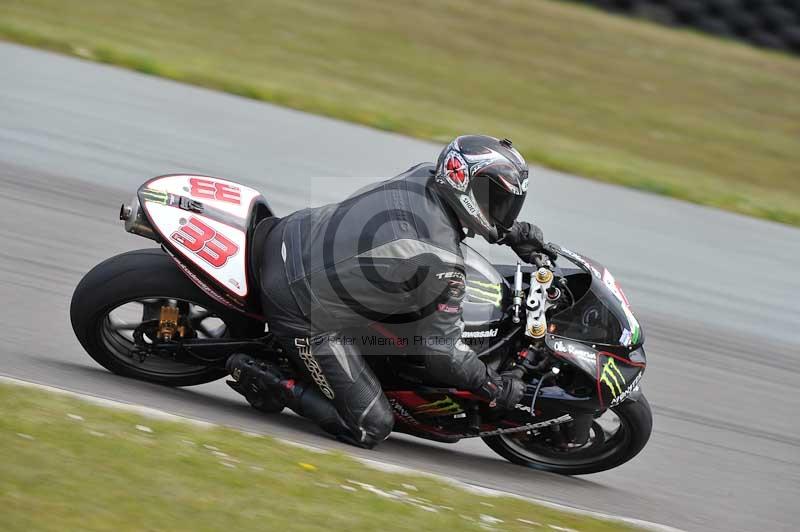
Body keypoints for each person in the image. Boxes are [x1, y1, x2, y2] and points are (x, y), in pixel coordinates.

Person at [227, 135, 552, 449]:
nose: (504, 210)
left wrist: (510, 232)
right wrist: (494, 386)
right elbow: (441, 355)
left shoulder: (424, 174)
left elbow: (467, 210)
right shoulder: (439, 260)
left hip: (296, 233)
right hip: (297, 303)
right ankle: (270, 382)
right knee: (371, 426)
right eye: (498, 200)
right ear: (467, 187)